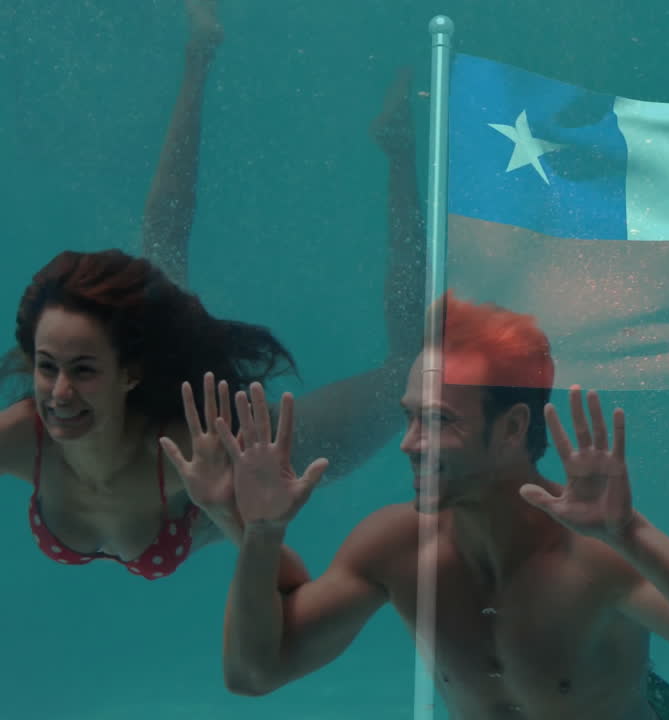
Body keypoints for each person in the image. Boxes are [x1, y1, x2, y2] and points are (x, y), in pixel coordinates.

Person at [212, 293, 669, 719]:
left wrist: (631, 533)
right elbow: (253, 674)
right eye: (410, 416)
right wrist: (259, 533)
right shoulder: (394, 550)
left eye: (438, 421)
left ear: (513, 427)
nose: (409, 443)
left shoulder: (594, 557)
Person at [0, 2, 424, 581]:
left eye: (84, 369)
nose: (59, 393)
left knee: (413, 370)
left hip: (245, 432)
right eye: (47, 367)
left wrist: (233, 510)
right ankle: (199, 53)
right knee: (161, 243)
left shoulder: (194, 452)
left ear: (130, 372)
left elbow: (288, 590)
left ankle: (397, 145)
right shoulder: (25, 436)